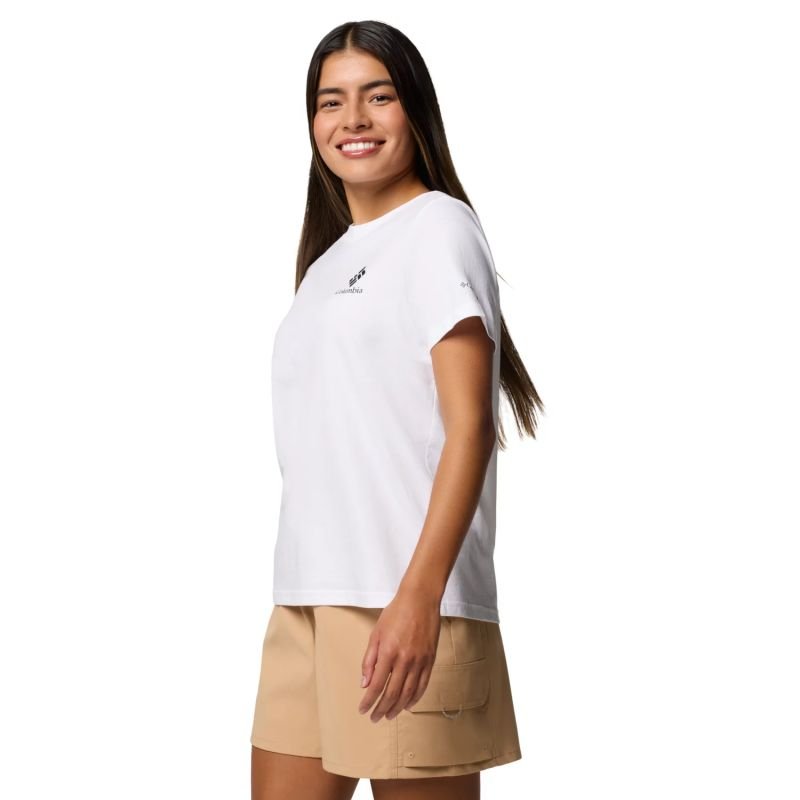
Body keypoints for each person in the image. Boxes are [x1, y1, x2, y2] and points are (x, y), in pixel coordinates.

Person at [250, 20, 544, 800]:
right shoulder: (326, 264)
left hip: (407, 597)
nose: (353, 118)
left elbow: (470, 426)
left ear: (415, 108)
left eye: (378, 96)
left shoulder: (439, 227)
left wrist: (420, 596)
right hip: (306, 600)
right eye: (331, 101)